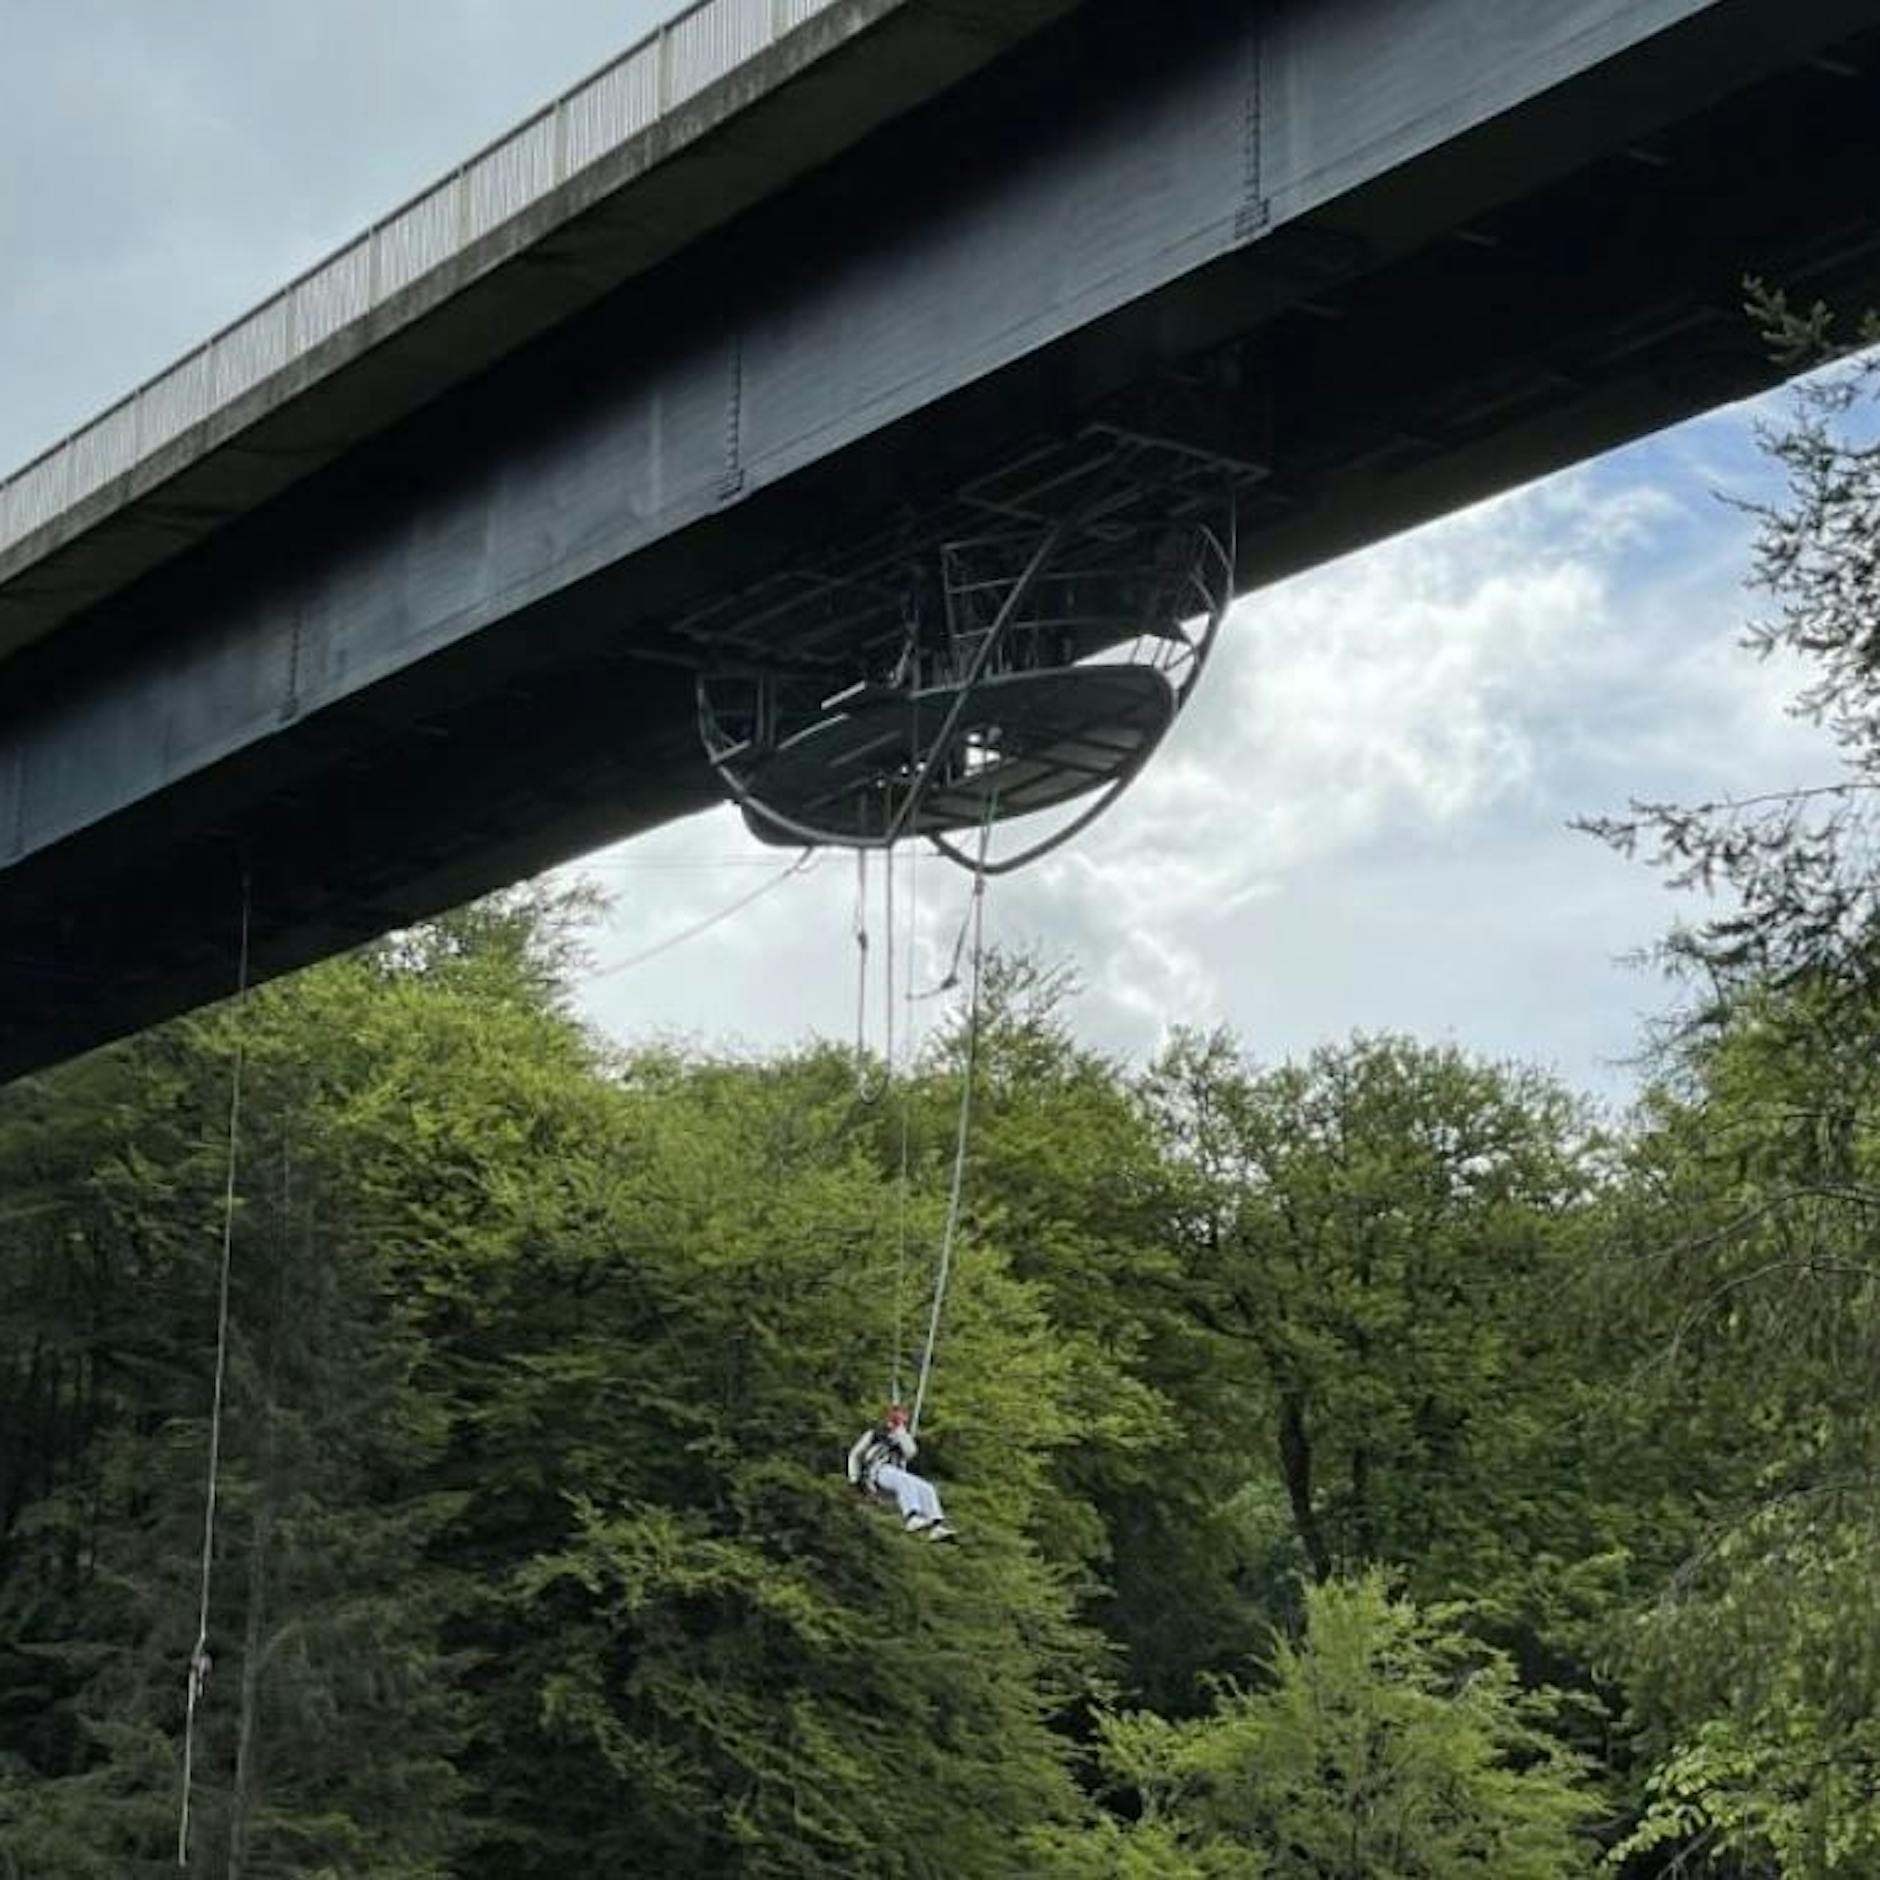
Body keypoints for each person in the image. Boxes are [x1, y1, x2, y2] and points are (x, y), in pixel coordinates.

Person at [847, 1404, 955, 1540]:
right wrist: (854, 1478)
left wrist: (901, 1433)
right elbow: (855, 1454)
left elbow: (911, 1453)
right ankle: (911, 1517)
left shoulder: (902, 1437)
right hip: (876, 1472)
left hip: (895, 1476)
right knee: (904, 1479)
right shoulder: (875, 1434)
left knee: (927, 1487)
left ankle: (936, 1524)